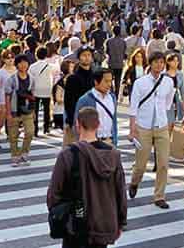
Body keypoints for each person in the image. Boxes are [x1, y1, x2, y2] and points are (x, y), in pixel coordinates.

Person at [47, 106, 128, 248]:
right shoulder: (113, 155)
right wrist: (121, 222)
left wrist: (61, 216)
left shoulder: (68, 155)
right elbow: (120, 193)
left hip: (76, 226)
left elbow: (53, 195)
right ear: (98, 125)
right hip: (103, 225)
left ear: (78, 125)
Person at [128, 51, 175, 209]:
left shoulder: (168, 81)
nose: (159, 65)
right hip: (143, 127)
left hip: (161, 126)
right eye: (156, 62)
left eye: (162, 62)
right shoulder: (140, 83)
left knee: (163, 163)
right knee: (141, 163)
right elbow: (133, 107)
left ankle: (159, 196)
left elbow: (168, 103)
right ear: (150, 63)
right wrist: (132, 128)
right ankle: (134, 182)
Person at [4, 54, 37, 166]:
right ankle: (15, 155)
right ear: (17, 64)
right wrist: (8, 113)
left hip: (27, 110)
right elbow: (7, 96)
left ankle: (24, 153)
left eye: (25, 62)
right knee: (13, 135)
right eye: (20, 63)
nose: (23, 65)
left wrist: (33, 111)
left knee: (30, 132)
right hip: (14, 110)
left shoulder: (32, 78)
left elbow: (33, 95)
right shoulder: (12, 79)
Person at [63, 47, 97, 146]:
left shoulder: (96, 76)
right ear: (79, 58)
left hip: (93, 118)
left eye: (89, 55)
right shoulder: (72, 78)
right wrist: (71, 120)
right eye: (84, 55)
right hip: (76, 119)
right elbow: (68, 102)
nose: (86, 58)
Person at [75, 69, 119, 145]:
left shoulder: (112, 97)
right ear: (96, 82)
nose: (109, 84)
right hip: (91, 144)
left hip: (110, 142)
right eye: (106, 81)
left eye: (110, 81)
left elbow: (114, 120)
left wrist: (114, 140)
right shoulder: (85, 100)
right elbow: (77, 124)